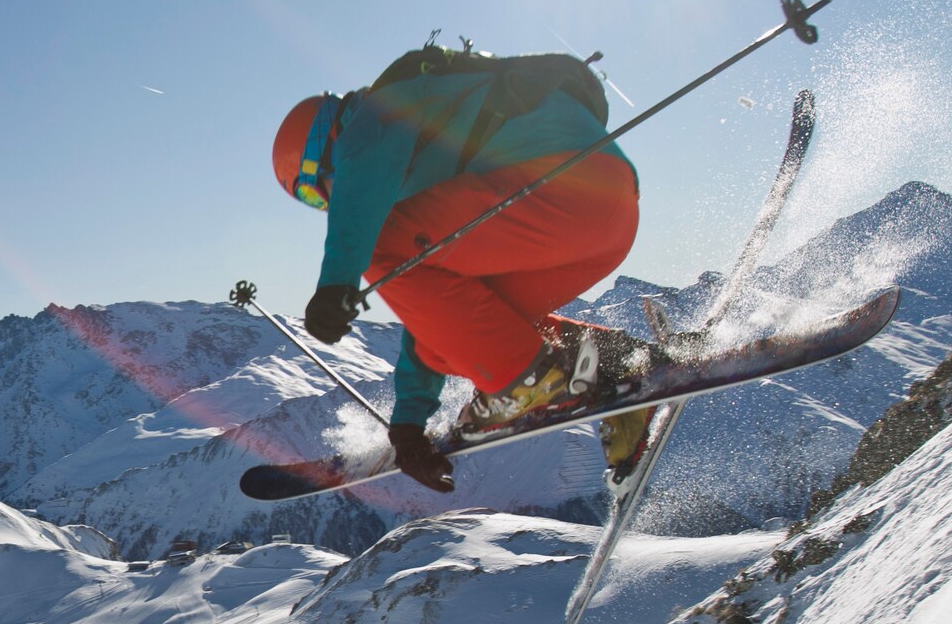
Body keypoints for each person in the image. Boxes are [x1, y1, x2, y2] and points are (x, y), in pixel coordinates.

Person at [273, 40, 665, 493]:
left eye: (311, 192)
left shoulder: (376, 114)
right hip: (605, 217)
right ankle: (611, 362)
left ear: (322, 150)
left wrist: (335, 282)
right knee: (453, 340)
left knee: (382, 243)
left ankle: (526, 381)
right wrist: (408, 426)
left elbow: (361, 187)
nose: (323, 202)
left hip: (561, 193)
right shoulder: (435, 147)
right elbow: (436, 315)